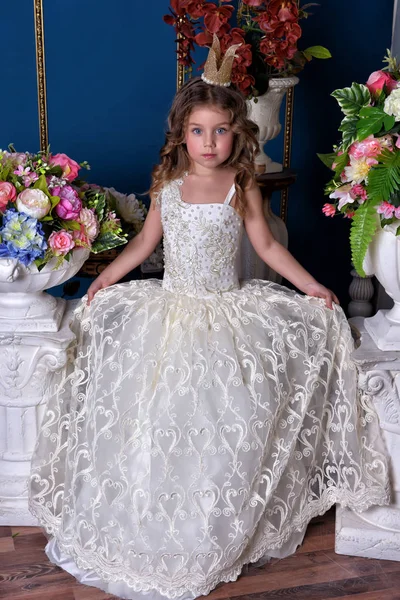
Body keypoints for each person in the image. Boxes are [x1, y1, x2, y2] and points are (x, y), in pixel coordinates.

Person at [30, 35, 390, 600]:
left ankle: (213, 517)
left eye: (220, 131)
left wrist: (313, 286)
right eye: (197, 130)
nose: (208, 142)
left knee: (227, 413)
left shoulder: (241, 184)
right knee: (156, 414)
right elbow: (144, 244)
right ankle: (155, 515)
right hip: (170, 312)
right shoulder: (168, 185)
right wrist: (102, 280)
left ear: (235, 134)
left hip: (226, 311)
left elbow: (268, 250)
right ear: (181, 134)